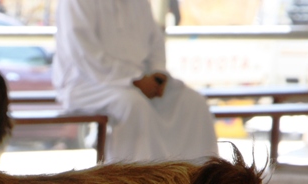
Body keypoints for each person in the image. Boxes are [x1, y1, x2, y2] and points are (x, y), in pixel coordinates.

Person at [53, 0, 218, 164]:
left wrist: (158, 75)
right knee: (133, 105)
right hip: (87, 84)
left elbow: (155, 42)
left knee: (193, 103)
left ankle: (198, 182)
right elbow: (83, 52)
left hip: (141, 82)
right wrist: (134, 79)